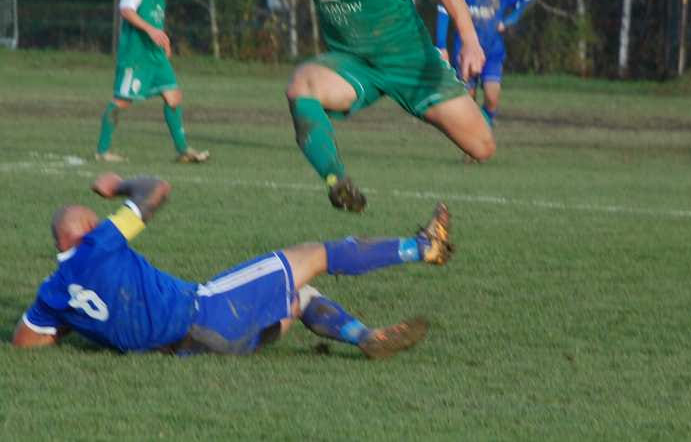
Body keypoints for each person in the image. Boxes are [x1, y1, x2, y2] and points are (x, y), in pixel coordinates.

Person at [12, 172, 452, 358]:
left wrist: (72, 326)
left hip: (198, 352)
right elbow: (157, 190)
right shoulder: (100, 243)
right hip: (210, 312)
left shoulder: (51, 295)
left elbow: (25, 342)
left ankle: (366, 337)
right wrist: (119, 185)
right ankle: (423, 247)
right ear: (88, 228)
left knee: (300, 298)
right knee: (316, 255)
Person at [272, 0, 494, 213]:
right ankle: (337, 181)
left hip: (412, 63)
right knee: (300, 86)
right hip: (354, 64)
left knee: (482, 148)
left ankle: (432, 98)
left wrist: (470, 42)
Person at [95, 0, 210, 163]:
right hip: (136, 53)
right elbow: (126, 10)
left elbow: (154, 16)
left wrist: (162, 39)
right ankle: (102, 151)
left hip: (155, 53)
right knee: (123, 100)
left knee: (173, 96)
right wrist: (151, 31)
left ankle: (183, 151)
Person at [435, 0, 534, 127]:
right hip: (464, 51)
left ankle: (485, 121)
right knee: (467, 100)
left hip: (493, 50)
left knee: (492, 95)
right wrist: (441, 44)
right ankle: (474, 138)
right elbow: (443, 10)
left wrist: (509, 20)